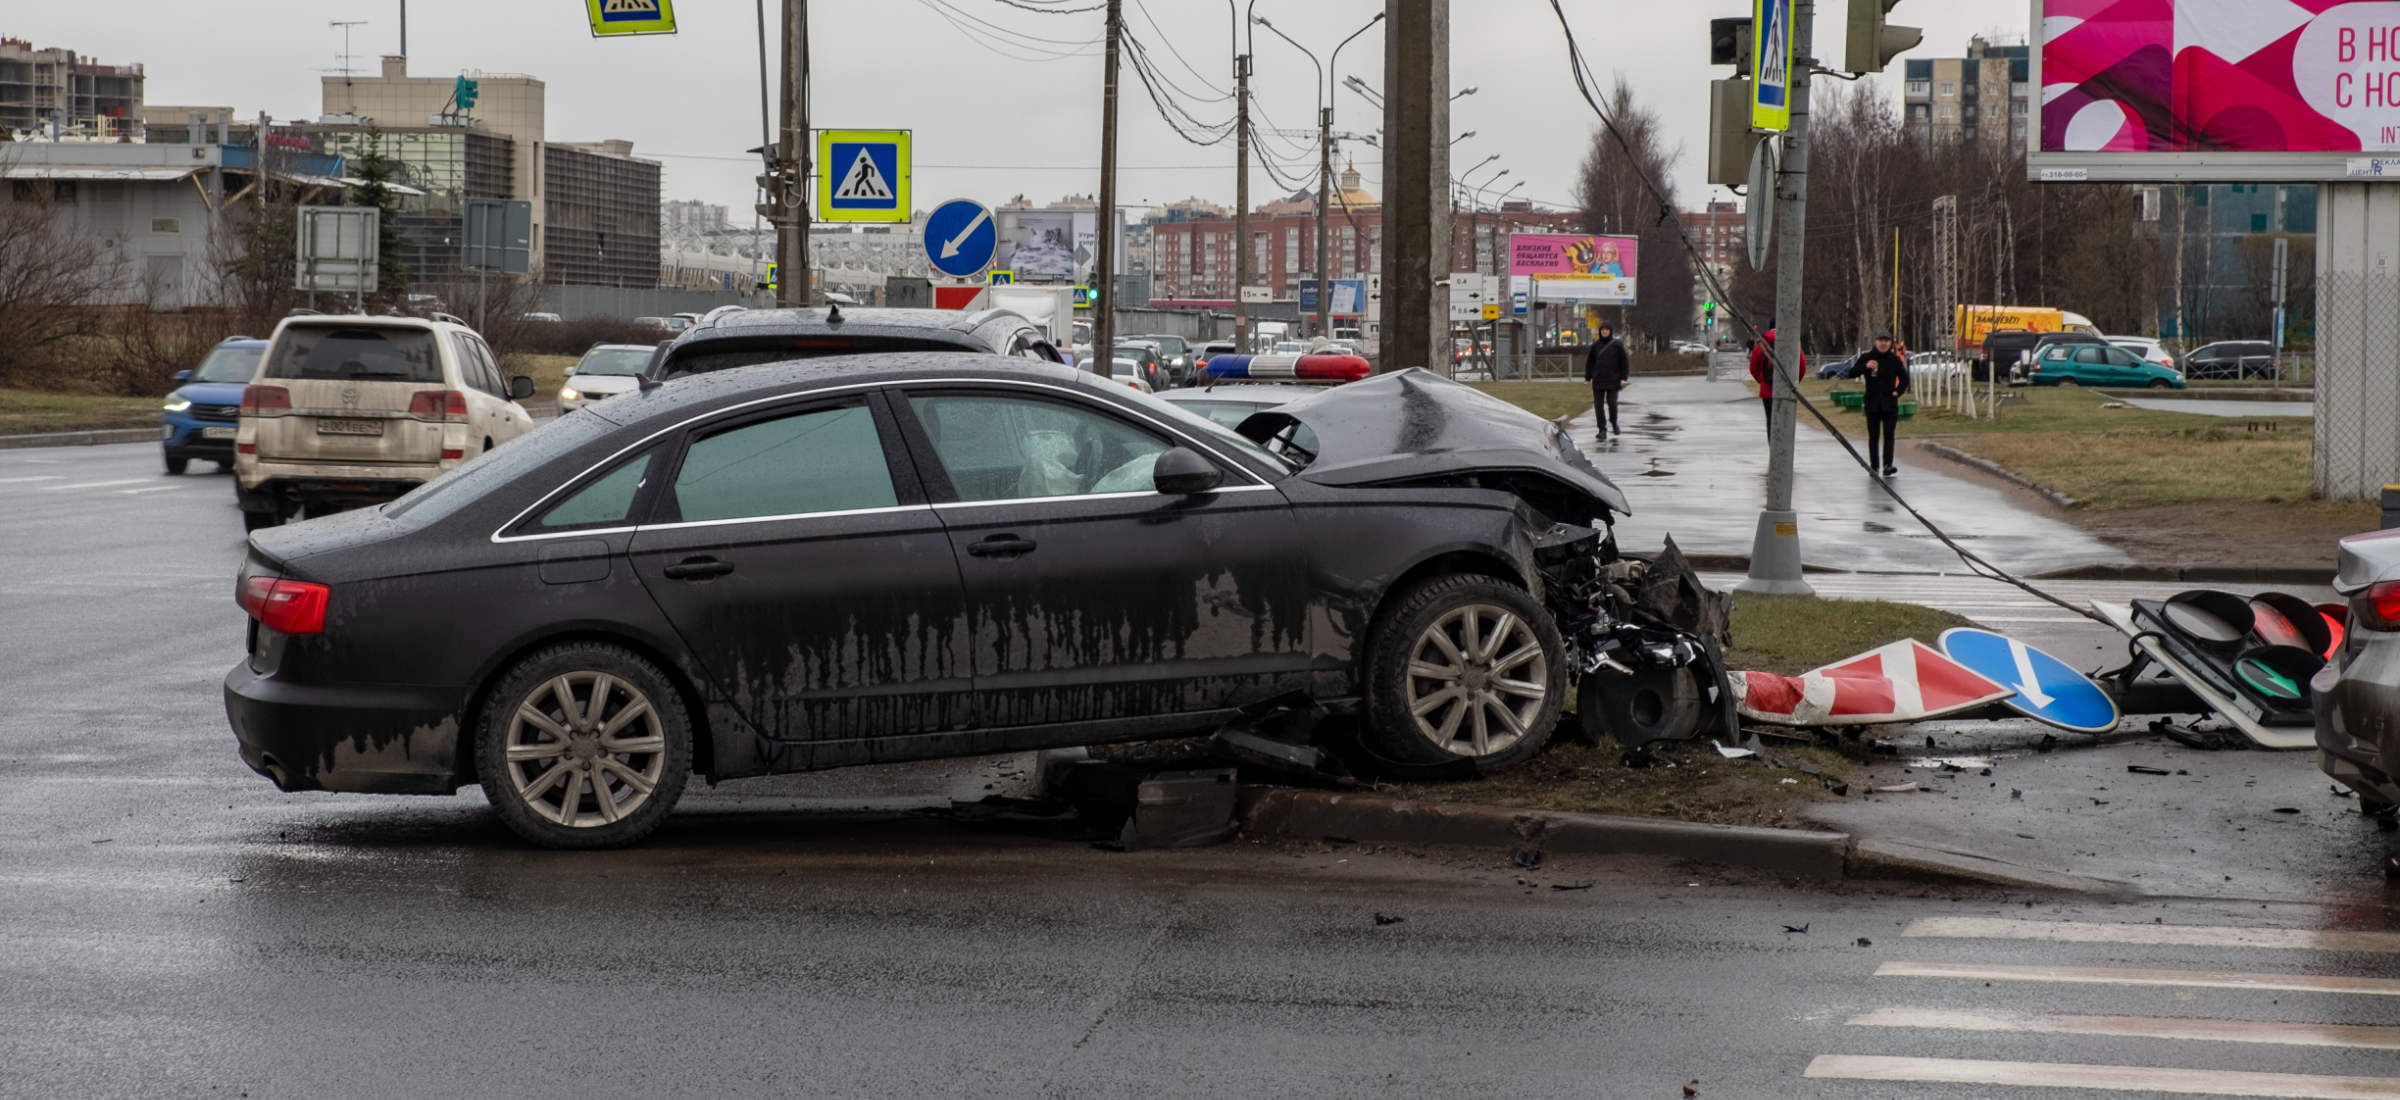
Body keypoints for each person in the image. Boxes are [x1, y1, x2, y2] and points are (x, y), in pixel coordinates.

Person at [1845, 331, 1911, 476]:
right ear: (1876, 342)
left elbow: (1905, 379)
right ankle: (1874, 466)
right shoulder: (1867, 357)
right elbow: (1851, 373)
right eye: (1881, 340)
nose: (1883, 343)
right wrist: (1865, 367)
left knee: (1889, 434)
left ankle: (1888, 465)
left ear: (1890, 343)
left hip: (1889, 404)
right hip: (1872, 403)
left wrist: (1897, 391)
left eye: (1886, 341)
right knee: (1873, 436)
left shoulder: (1894, 359)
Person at [1746, 323, 1804, 434]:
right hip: (1788, 389)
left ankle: (1772, 447)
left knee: (1770, 420)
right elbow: (1801, 366)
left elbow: (1753, 367)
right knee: (1786, 420)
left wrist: (1763, 381)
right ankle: (1785, 448)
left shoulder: (1762, 343)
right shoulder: (1791, 342)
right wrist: (1794, 384)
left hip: (1767, 391)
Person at [1584, 321, 1630, 437]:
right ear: (1600, 332)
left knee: (1612, 404)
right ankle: (1602, 429)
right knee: (1598, 406)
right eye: (1602, 330)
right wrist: (1588, 377)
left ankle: (1614, 423)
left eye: (1606, 330)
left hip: (1613, 380)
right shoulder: (1595, 345)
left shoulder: (1617, 345)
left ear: (1610, 331)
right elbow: (1590, 362)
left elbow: (1624, 362)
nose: (1604, 332)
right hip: (1598, 380)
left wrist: (1623, 378)